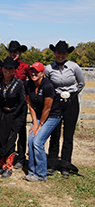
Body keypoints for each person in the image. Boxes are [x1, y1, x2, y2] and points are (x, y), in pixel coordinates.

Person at [45, 41, 85, 179]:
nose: (60, 55)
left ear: (67, 54)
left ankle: (66, 165)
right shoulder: (48, 69)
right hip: (56, 102)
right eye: (58, 53)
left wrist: (71, 95)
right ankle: (52, 163)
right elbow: (47, 84)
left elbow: (81, 83)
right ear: (54, 53)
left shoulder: (74, 67)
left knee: (68, 134)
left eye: (63, 53)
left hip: (71, 102)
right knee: (54, 133)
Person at [23, 62, 62, 182]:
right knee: (30, 139)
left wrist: (40, 125)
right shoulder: (28, 84)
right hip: (38, 115)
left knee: (38, 141)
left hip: (52, 115)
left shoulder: (47, 85)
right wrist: (34, 123)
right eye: (32, 71)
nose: (33, 73)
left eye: (37, 71)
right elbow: (30, 105)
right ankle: (31, 171)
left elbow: (48, 108)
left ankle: (41, 174)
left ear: (42, 73)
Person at [0, 57, 26, 178]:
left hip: (15, 114)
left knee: (10, 140)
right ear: (2, 68)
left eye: (10, 68)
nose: (8, 70)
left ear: (14, 70)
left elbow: (22, 102)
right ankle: (1, 165)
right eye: (6, 68)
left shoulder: (19, 83)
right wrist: (0, 114)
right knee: (1, 138)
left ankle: (8, 167)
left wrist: (14, 115)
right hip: (3, 114)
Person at [0, 40, 30, 169]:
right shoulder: (4, 67)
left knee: (21, 131)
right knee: (6, 130)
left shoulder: (25, 67)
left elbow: (31, 79)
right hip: (7, 103)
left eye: (15, 52)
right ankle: (5, 154)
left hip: (20, 103)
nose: (13, 54)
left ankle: (21, 158)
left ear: (20, 53)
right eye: (11, 51)